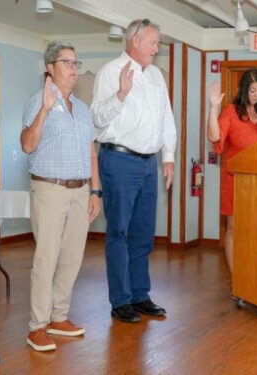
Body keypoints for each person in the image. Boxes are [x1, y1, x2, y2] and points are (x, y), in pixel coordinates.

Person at [91, 19, 176, 323]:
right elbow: (97, 118)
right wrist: (120, 95)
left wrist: (168, 157)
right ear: (135, 41)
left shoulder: (155, 76)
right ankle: (120, 300)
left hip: (149, 163)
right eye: (153, 42)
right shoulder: (110, 73)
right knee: (119, 231)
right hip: (119, 161)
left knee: (143, 234)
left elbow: (166, 117)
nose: (157, 49)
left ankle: (140, 295)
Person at [20, 42, 101, 351]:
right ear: (50, 69)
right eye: (66, 62)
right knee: (47, 258)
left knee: (71, 257)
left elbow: (91, 152)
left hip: (81, 191)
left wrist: (95, 190)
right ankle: (37, 326)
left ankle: (58, 317)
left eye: (76, 62)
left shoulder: (82, 109)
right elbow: (28, 145)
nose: (73, 68)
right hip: (49, 189)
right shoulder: (35, 103)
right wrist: (43, 109)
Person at [207, 69, 257, 275]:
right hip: (236, 181)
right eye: (252, 90)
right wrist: (213, 108)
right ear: (243, 90)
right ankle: (238, 280)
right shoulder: (231, 112)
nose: (256, 95)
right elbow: (214, 136)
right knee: (235, 229)